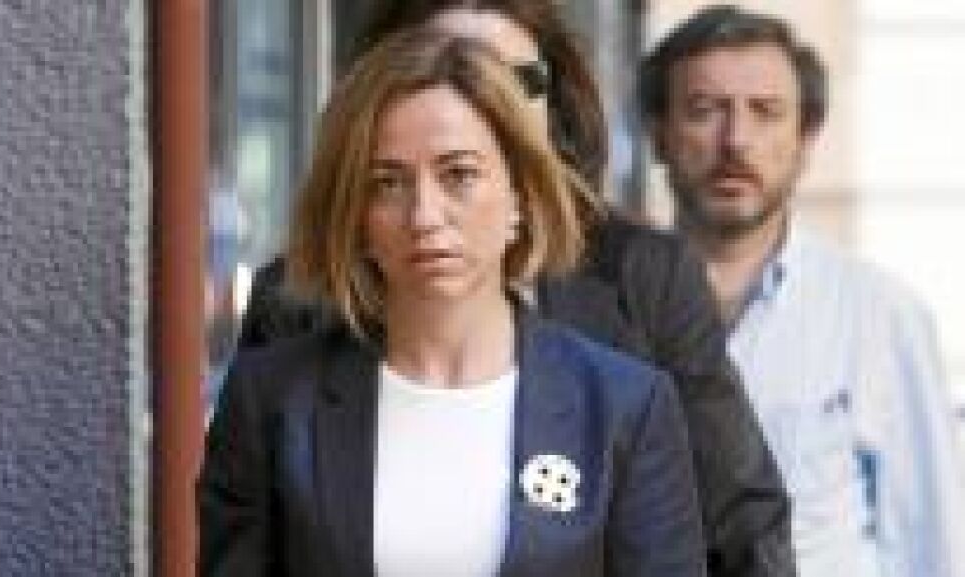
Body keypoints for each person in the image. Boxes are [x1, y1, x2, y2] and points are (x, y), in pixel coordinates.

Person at [237, 2, 794, 575]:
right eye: (443, 70)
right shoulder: (295, 311)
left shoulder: (642, 286)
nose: (475, 99)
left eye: (511, 80)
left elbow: (742, 524)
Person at [640, 5, 965, 577]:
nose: (736, 140)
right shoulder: (603, 307)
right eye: (705, 110)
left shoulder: (878, 314)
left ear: (806, 137)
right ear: (658, 134)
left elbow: (933, 545)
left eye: (765, 112)